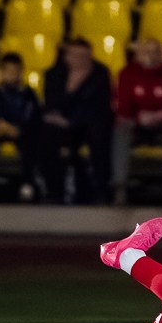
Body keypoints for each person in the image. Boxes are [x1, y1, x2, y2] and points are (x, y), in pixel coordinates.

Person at [111, 37, 162, 206]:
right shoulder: (127, 74)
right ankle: (120, 187)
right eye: (146, 52)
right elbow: (122, 106)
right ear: (138, 55)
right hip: (135, 126)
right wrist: (139, 117)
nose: (151, 56)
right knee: (120, 130)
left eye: (155, 52)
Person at [34, 36, 113, 202]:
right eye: (75, 55)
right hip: (60, 125)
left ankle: (100, 191)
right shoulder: (54, 74)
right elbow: (52, 103)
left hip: (88, 125)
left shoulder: (100, 73)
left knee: (99, 133)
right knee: (45, 135)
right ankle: (54, 191)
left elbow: (101, 107)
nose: (80, 60)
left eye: (84, 56)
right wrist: (71, 87)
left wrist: (73, 121)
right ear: (66, 56)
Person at [0, 50, 43, 202]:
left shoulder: (28, 93)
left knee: (31, 141)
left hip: (21, 132)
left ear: (21, 72)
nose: (12, 74)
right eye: (8, 71)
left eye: (15, 71)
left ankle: (28, 183)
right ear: (2, 71)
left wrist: (18, 129)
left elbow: (34, 117)